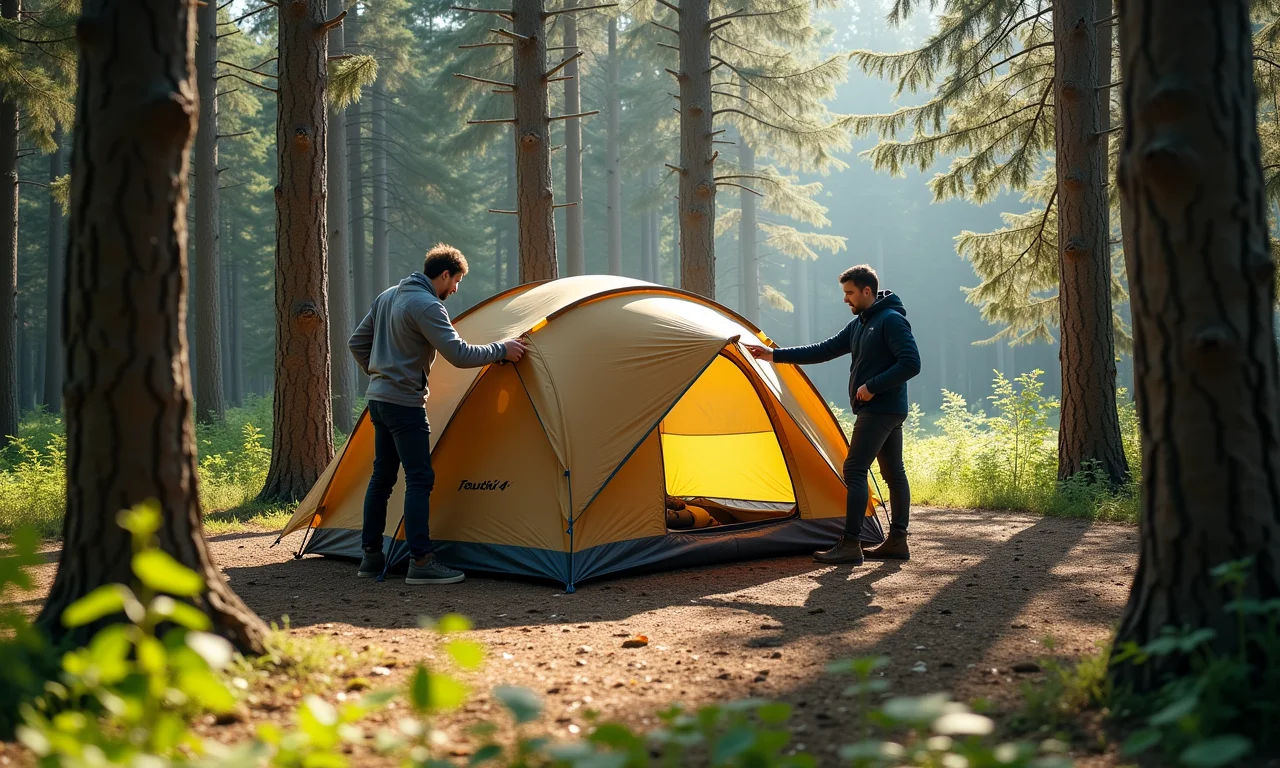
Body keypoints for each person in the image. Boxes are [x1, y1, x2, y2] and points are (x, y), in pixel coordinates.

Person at [348, 244, 527, 585]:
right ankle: (421, 561)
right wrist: (502, 349)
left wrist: (381, 373)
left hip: (379, 401)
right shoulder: (426, 304)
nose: (455, 289)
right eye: (456, 281)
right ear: (444, 274)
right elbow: (459, 354)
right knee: (419, 479)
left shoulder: (389, 296)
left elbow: (358, 343)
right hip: (404, 404)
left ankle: (370, 557)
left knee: (381, 478)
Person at [745, 264, 920, 565]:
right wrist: (774, 355)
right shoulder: (861, 323)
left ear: (868, 291)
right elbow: (824, 350)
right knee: (893, 474)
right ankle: (897, 542)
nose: (845, 299)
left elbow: (911, 363)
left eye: (850, 293)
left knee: (853, 470)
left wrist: (872, 387)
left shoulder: (890, 320)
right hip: (885, 409)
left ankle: (851, 544)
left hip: (880, 408)